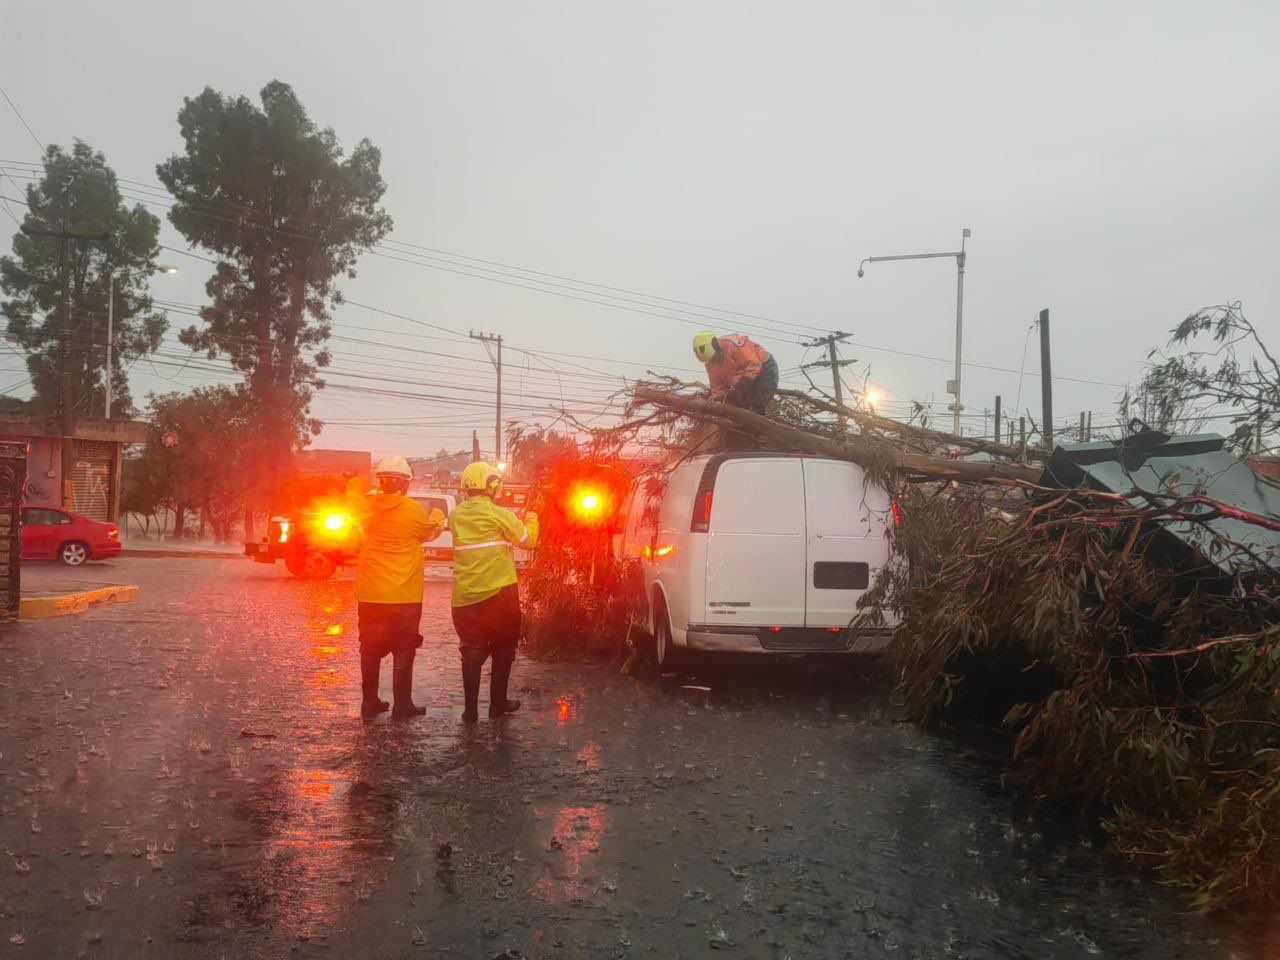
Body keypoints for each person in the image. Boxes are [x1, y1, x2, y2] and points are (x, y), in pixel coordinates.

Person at [352, 456, 444, 720]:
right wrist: (437, 516)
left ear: (381, 482)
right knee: (404, 647)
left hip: (370, 593)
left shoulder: (366, 508)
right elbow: (429, 533)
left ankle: (369, 702)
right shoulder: (413, 510)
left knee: (369, 647)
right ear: (404, 484)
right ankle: (402, 706)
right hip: (403, 594)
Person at [448, 461, 539, 723]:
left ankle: (470, 711)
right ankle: (498, 705)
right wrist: (532, 518)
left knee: (471, 652)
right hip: (500, 596)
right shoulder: (499, 514)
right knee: (503, 649)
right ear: (492, 486)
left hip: (465, 598)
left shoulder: (455, 516)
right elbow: (528, 540)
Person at [692, 331, 779, 414]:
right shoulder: (710, 365)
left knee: (756, 404)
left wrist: (742, 386)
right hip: (742, 379)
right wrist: (718, 401)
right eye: (711, 360)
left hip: (764, 367)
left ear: (716, 345)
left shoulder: (732, 344)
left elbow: (754, 364)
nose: (714, 361)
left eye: (714, 357)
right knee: (737, 408)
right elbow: (718, 388)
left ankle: (760, 422)